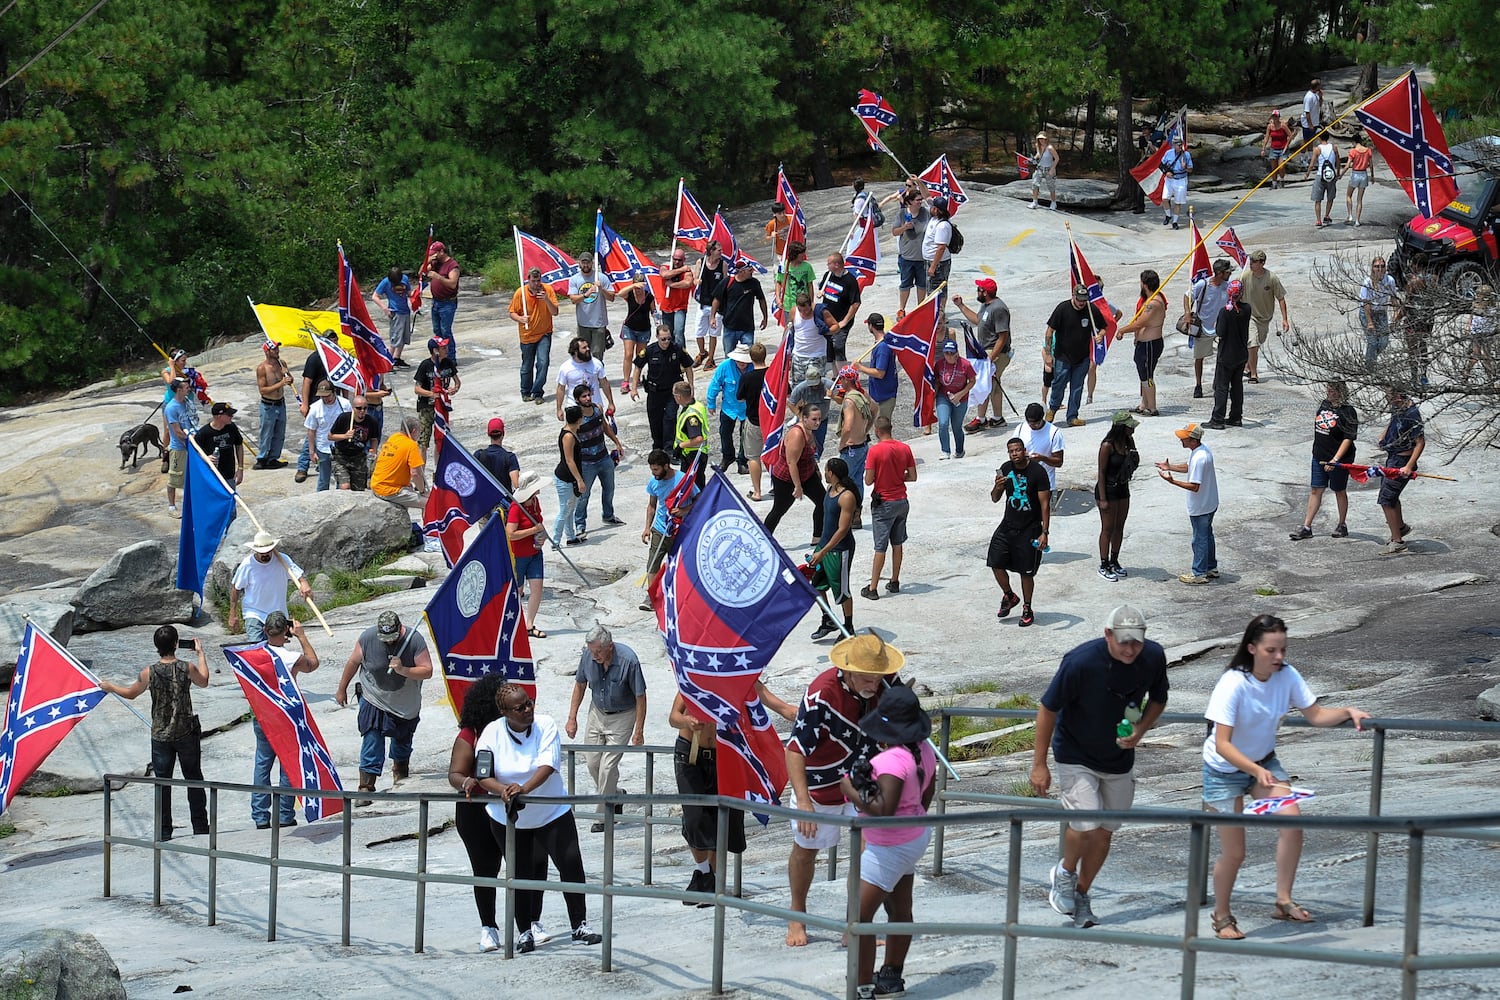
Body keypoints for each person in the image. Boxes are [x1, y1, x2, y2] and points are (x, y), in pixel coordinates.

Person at [1203, 614, 1370, 940]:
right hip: (1224, 770)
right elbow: (1222, 744)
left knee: (1291, 821)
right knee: (1235, 852)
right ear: (1252, 648)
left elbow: (1316, 715)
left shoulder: (1287, 675)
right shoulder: (1233, 683)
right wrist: (1255, 771)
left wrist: (1347, 711)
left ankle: (1283, 899)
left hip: (1263, 761)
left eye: (1282, 650)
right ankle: (1221, 915)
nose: (1279, 657)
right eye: (1271, 650)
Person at [1030, 605, 1169, 929]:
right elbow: (1047, 708)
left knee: (1105, 833)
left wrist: (1141, 729)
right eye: (1124, 642)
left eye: (1136, 641)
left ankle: (1081, 894)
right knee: (1087, 822)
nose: (1130, 649)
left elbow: (1159, 698)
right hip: (1075, 752)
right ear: (1108, 635)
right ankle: (1065, 872)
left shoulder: (1153, 657)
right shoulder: (1080, 662)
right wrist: (1038, 764)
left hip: (1118, 757)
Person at [784, 632, 902, 947]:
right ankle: (797, 913)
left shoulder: (888, 684)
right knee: (806, 850)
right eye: (866, 677)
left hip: (862, 778)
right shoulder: (821, 695)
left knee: (869, 851)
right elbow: (794, 750)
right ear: (847, 670)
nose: (873, 683)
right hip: (819, 784)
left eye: (877, 676)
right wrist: (804, 803)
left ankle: (857, 922)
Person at [475, 682, 604, 951]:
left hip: (551, 810)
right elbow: (483, 775)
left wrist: (523, 789)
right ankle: (524, 931)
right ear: (505, 712)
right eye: (519, 708)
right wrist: (504, 791)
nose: (527, 710)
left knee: (570, 863)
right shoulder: (491, 733)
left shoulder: (545, 725)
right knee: (521, 872)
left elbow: (548, 765)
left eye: (529, 703)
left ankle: (579, 924)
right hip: (509, 816)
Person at [840, 684, 936, 1000]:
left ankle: (862, 986)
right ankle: (891, 977)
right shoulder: (923, 750)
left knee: (859, 918)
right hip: (915, 835)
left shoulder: (893, 761)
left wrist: (851, 788)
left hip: (888, 846)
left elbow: (884, 810)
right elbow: (926, 793)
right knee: (899, 908)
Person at [670, 681, 796, 904]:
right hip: (690, 755)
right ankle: (703, 872)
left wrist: (805, 714)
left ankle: (711, 880)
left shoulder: (742, 680)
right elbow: (673, 717)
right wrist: (687, 721)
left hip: (725, 757)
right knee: (695, 818)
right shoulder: (696, 676)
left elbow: (782, 707)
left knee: (722, 821)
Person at [98, 626, 210, 840]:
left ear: (157, 647)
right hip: (186, 732)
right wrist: (201, 654)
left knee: (162, 783)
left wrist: (111, 686)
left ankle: (164, 831)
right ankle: (201, 827)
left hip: (161, 735)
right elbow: (204, 680)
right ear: (176, 644)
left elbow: (131, 694)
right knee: (194, 779)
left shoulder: (149, 672)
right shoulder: (187, 667)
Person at [446, 673, 517, 952]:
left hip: (511, 805)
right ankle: (489, 927)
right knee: (485, 869)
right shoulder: (470, 734)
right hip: (475, 810)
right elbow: (455, 773)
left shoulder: (515, 728)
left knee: (524, 864)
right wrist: (466, 782)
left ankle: (530, 923)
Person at [336, 610, 434, 802]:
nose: (389, 642)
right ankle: (365, 787)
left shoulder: (414, 640)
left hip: (405, 702)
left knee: (402, 742)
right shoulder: (367, 637)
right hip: (374, 697)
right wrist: (342, 688)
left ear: (400, 628)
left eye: (392, 638)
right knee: (372, 737)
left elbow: (427, 671)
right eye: (385, 638)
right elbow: (353, 662)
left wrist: (403, 669)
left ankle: (401, 777)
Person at [564, 625, 647, 832]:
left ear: (610, 646)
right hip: (597, 711)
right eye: (592, 651)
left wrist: (639, 730)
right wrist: (572, 717)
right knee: (592, 763)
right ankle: (616, 795)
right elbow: (580, 686)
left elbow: (640, 697)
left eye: (599, 651)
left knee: (608, 767)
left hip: (622, 715)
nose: (595, 656)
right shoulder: (588, 656)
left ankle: (603, 815)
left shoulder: (629, 660)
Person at [252, 612, 321, 829]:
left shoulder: (254, 655)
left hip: (263, 714)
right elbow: (313, 663)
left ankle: (260, 816)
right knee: (287, 764)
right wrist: (301, 636)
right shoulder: (289, 657)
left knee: (262, 763)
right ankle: (284, 815)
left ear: (264, 631)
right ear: (286, 632)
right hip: (286, 716)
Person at [988, 437, 1051, 628]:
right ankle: (1009, 595)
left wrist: (1045, 532)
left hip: (1030, 529)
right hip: (1007, 526)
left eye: (1017, 450)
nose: (1014, 454)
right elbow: (994, 498)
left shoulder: (1037, 472)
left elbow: (1045, 504)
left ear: (1024, 450)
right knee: (995, 562)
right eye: (1011, 451)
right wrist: (998, 486)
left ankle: (1027, 607)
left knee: (1026, 572)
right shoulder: (1005, 468)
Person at [1156, 423, 1219, 584]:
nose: (1180, 440)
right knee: (1207, 536)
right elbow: (1188, 467)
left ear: (1192, 440)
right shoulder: (1200, 450)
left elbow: (1194, 486)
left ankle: (1198, 574)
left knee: (1199, 539)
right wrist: (1170, 467)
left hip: (1201, 506)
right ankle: (1211, 568)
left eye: (1183, 438)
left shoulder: (1199, 458)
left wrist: (1172, 481)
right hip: (1210, 502)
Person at [862, 416, 915, 600]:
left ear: (877, 430)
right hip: (902, 501)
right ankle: (894, 581)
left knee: (880, 547)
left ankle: (873, 587)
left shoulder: (875, 451)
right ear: (891, 428)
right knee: (897, 543)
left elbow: (868, 480)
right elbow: (913, 476)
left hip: (884, 503)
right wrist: (899, 478)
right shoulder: (905, 448)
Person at [808, 457, 859, 641]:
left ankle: (848, 626)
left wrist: (823, 551)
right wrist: (820, 548)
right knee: (815, 585)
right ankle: (828, 619)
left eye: (826, 470)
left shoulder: (846, 496)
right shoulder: (829, 490)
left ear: (833, 473)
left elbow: (843, 529)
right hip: (825, 546)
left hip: (840, 550)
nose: (824, 473)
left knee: (842, 590)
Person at [228, 530, 313, 641]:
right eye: (261, 552)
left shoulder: (282, 560)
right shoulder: (247, 564)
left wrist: (304, 583)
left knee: (276, 648)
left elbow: (298, 576)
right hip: (254, 612)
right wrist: (233, 614)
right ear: (254, 550)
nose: (265, 554)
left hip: (277, 613)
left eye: (267, 551)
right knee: (256, 647)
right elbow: (236, 589)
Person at [1044, 284, 1107, 427]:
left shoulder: (1091, 310)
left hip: (1082, 357)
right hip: (1063, 356)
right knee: (1059, 384)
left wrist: (1100, 335)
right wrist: (1048, 354)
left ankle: (1072, 416)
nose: (1081, 303)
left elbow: (1103, 327)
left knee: (1077, 387)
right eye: (1079, 300)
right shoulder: (1062, 308)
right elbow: (1049, 331)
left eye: (1084, 300)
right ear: (1073, 296)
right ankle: (1052, 409)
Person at [954, 279, 1013, 430]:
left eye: (979, 289)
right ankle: (997, 418)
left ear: (985, 292)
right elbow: (978, 320)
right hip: (986, 352)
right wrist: (961, 306)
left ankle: (980, 419)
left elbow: (1003, 336)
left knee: (984, 385)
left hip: (995, 352)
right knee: (993, 385)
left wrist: (991, 358)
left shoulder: (999, 309)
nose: (977, 291)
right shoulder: (986, 306)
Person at [641, 449, 698, 606]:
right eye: (651, 469)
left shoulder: (683, 480)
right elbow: (652, 506)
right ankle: (652, 597)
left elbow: (699, 500)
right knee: (653, 563)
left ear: (666, 466)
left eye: (656, 469)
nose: (653, 473)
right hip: (660, 529)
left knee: (681, 565)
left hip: (680, 530)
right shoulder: (654, 482)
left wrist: (684, 511)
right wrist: (647, 527)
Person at [763, 402, 825, 544]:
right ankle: (764, 538)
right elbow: (792, 463)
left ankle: (817, 537)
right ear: (804, 419)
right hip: (786, 478)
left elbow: (809, 455)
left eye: (819, 419)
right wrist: (797, 486)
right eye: (814, 419)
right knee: (779, 509)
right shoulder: (797, 434)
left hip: (807, 474)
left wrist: (816, 469)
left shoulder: (810, 431)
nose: (817, 422)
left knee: (823, 502)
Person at [569, 383, 623, 538]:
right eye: (584, 396)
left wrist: (617, 442)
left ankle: (608, 515)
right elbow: (570, 436)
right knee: (584, 495)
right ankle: (580, 524)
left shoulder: (598, 409)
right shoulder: (576, 417)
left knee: (609, 488)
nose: (587, 398)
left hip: (603, 457)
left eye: (588, 395)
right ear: (577, 399)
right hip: (586, 463)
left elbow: (605, 427)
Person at [1375, 388, 1424, 555]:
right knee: (1390, 495)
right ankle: (1400, 527)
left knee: (1386, 499)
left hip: (1402, 461)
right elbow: (1392, 423)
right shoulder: (1397, 407)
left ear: (1397, 395)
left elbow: (1420, 442)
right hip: (1393, 457)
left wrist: (1409, 466)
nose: (1386, 398)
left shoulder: (1412, 413)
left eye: (1388, 395)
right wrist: (1383, 438)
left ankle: (1398, 541)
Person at [633, 324, 696, 452]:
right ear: (657, 337)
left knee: (670, 419)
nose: (666, 342)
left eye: (668, 338)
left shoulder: (676, 349)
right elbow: (638, 367)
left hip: (673, 393)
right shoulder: (650, 350)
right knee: (655, 420)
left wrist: (691, 385)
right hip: (654, 392)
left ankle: (669, 449)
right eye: (663, 339)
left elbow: (688, 366)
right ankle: (657, 447)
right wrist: (633, 388)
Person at [1094, 411, 1141, 581]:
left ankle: (1115, 560)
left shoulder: (1129, 442)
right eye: (1130, 427)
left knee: (1119, 526)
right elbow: (1101, 472)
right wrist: (1103, 499)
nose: (1133, 430)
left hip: (1122, 488)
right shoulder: (1107, 446)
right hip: (1107, 489)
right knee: (1108, 528)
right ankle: (1104, 564)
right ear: (1121, 427)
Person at [508, 266, 560, 403]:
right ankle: (525, 391)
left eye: (538, 281)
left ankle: (537, 392)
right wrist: (520, 319)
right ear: (528, 280)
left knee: (543, 362)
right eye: (533, 281)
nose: (536, 284)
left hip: (544, 333)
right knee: (527, 365)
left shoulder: (547, 290)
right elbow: (512, 312)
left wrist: (546, 300)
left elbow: (555, 312)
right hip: (527, 334)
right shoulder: (520, 293)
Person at [1182, 259, 1233, 400]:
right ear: (1220, 273)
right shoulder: (1203, 284)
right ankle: (1198, 385)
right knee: (1199, 357)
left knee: (1223, 357)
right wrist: (1187, 313)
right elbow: (1187, 296)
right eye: (1227, 272)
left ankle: (1219, 382)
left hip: (1221, 327)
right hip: (1203, 326)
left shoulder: (1227, 286)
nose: (1230, 274)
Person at [506, 472, 549, 637]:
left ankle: (529, 625)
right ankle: (513, 625)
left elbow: (540, 523)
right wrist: (533, 530)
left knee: (537, 589)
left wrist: (541, 536)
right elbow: (511, 534)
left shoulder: (535, 502)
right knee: (516, 591)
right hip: (518, 555)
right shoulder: (516, 507)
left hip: (535, 552)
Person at [1208, 279, 1252, 429]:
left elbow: (1220, 332)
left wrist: (1218, 322)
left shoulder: (1225, 312)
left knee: (1221, 387)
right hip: (1241, 354)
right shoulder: (1247, 309)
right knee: (1237, 386)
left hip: (1226, 355)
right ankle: (1235, 417)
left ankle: (1218, 419)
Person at [1241, 250, 1289, 383]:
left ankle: (1247, 365)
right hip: (1249, 316)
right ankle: (1254, 374)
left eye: (1255, 262)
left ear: (1262, 263)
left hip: (1265, 318)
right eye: (1251, 261)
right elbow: (1237, 293)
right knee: (1252, 343)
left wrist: (1284, 319)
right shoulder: (1245, 277)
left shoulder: (1271, 278)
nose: (1251, 264)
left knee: (1258, 341)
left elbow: (1281, 298)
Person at [706, 345, 752, 475]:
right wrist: (711, 403)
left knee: (746, 435)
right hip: (729, 407)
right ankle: (727, 457)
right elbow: (715, 384)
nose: (742, 363)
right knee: (725, 433)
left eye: (745, 361)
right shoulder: (725, 366)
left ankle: (742, 461)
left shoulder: (753, 367)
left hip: (748, 408)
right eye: (739, 360)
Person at [834, 366, 874, 511]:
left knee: (843, 482)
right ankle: (857, 512)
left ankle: (846, 513)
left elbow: (848, 426)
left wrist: (842, 443)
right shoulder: (861, 396)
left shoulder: (849, 400)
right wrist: (865, 428)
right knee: (857, 481)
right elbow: (875, 408)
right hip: (862, 445)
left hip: (850, 447)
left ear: (845, 380)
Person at [710, 260, 768, 359]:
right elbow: (716, 299)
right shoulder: (727, 282)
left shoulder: (754, 283)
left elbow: (762, 300)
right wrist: (712, 317)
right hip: (730, 326)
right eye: (750, 270)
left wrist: (765, 317)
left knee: (749, 357)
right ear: (741, 271)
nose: (752, 272)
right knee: (729, 357)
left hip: (747, 327)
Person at [414, 337, 460, 458]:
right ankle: (421, 472)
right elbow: (417, 388)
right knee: (423, 441)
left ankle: (437, 469)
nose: (447, 350)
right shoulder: (425, 365)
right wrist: (431, 394)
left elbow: (457, 382)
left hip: (442, 407)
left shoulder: (448, 363)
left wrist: (454, 389)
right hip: (426, 407)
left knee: (440, 439)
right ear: (435, 350)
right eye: (443, 348)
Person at [371, 415, 429, 510]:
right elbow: (415, 474)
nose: (419, 435)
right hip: (389, 491)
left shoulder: (393, 437)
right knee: (429, 502)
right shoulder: (411, 445)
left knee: (410, 488)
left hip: (376, 484)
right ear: (414, 431)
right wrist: (422, 491)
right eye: (419, 432)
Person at [736, 343, 770, 501]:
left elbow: (740, 397)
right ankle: (777, 486)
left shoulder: (747, 377)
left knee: (754, 457)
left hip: (754, 420)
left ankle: (757, 491)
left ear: (751, 358)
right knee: (773, 455)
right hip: (772, 421)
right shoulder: (773, 374)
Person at [567, 251, 616, 362]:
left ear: (592, 263)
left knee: (597, 353)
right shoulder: (574, 279)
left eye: (588, 262)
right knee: (582, 352)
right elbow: (573, 299)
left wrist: (602, 288)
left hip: (599, 323)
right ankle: (585, 377)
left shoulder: (601, 278)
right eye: (583, 263)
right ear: (579, 263)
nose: (585, 265)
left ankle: (598, 377)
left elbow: (612, 297)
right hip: (583, 323)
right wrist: (586, 294)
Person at [933, 338, 976, 459]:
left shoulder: (965, 365)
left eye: (952, 353)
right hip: (944, 396)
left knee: (956, 426)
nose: (949, 356)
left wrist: (961, 394)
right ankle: (945, 451)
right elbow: (936, 381)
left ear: (957, 353)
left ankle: (960, 450)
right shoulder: (940, 364)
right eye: (947, 353)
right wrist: (933, 399)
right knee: (943, 422)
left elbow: (972, 381)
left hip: (960, 399)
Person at [889, 187, 929, 317]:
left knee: (922, 284)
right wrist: (904, 227)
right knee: (905, 284)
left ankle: (920, 308)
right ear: (910, 202)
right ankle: (902, 309)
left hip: (922, 257)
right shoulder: (902, 214)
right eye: (917, 200)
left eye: (921, 200)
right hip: (906, 256)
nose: (920, 202)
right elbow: (894, 232)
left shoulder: (926, 213)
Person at [303, 380, 349, 492]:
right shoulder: (315, 408)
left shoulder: (344, 404)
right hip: (323, 448)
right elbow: (311, 431)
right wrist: (311, 452)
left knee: (342, 480)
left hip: (340, 447)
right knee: (323, 479)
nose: (325, 399)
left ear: (333, 392)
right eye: (322, 396)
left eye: (327, 396)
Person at [254, 342, 293, 469]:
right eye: (274, 349)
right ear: (267, 351)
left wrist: (288, 375)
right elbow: (263, 390)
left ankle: (273, 458)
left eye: (277, 348)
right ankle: (262, 458)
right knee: (266, 432)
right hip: (268, 405)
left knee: (279, 432)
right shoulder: (262, 368)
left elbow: (290, 380)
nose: (277, 351)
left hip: (280, 403)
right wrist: (281, 383)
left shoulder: (282, 363)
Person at [555, 335, 613, 421]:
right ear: (575, 351)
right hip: (574, 407)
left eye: (588, 346)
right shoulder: (565, 367)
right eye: (584, 348)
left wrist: (611, 403)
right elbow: (561, 388)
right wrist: (559, 408)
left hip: (595, 406)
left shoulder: (596, 363)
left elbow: (604, 383)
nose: (588, 349)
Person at [293, 342, 328, 483]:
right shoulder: (314, 358)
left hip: (333, 400)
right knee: (312, 434)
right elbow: (307, 382)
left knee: (328, 434)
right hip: (316, 401)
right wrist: (305, 404)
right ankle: (302, 466)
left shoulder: (336, 356)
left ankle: (322, 464)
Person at [819, 253, 863, 366]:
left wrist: (845, 321)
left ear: (837, 265)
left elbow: (856, 303)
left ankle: (843, 377)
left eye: (829, 263)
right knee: (831, 349)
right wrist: (821, 292)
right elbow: (823, 289)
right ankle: (835, 377)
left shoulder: (850, 281)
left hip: (841, 321)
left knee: (838, 347)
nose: (827, 265)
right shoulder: (828, 275)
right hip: (828, 319)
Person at [855, 314, 900, 425]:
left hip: (884, 396)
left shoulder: (882, 347)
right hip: (879, 395)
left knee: (882, 428)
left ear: (871, 326)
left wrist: (860, 367)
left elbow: (880, 373)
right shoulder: (882, 343)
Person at [327, 393, 377, 491]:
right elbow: (330, 436)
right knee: (345, 486)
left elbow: (374, 439)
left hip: (359, 457)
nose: (362, 411)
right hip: (341, 457)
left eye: (365, 408)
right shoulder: (344, 418)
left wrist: (373, 451)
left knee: (359, 489)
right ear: (353, 408)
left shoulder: (371, 421)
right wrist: (345, 436)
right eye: (359, 408)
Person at [552, 404, 585, 547]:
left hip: (570, 479)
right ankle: (555, 540)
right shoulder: (568, 436)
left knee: (570, 508)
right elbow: (569, 460)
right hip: (565, 479)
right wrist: (580, 480)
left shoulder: (573, 431)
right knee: (565, 509)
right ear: (579, 419)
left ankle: (570, 536)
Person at [617, 272, 656, 392]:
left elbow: (654, 312)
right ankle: (625, 381)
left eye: (640, 288)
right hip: (630, 328)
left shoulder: (649, 296)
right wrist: (633, 287)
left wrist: (659, 324)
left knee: (640, 356)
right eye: (637, 288)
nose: (639, 291)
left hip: (644, 329)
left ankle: (636, 378)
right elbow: (619, 293)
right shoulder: (629, 294)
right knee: (628, 354)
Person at [693, 241, 729, 369]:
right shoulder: (700, 263)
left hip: (717, 304)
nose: (721, 252)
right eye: (718, 250)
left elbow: (726, 282)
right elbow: (695, 278)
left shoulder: (723, 264)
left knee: (713, 333)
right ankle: (702, 352)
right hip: (703, 303)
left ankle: (711, 358)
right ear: (711, 251)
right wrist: (697, 281)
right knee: (698, 332)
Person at [1015, 402, 1065, 493]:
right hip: (1023, 484)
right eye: (1030, 423)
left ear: (1042, 419)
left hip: (1045, 485)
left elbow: (1059, 462)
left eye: (1036, 423)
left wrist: (1042, 458)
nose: (1033, 426)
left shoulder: (1054, 433)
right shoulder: (1020, 429)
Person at [372, 266, 415, 368]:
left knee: (404, 337)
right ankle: (388, 362)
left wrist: (416, 295)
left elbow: (409, 292)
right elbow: (375, 296)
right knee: (395, 338)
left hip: (405, 311)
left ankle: (397, 358)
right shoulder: (386, 282)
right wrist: (385, 308)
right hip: (395, 312)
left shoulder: (404, 279)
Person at [163, 379, 195, 518]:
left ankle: (191, 503)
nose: (189, 388)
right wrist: (190, 441)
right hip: (179, 447)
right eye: (186, 387)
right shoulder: (171, 408)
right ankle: (171, 506)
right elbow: (177, 431)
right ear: (179, 390)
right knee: (174, 478)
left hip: (191, 443)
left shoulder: (187, 403)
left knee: (191, 476)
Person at [789, 361, 835, 456]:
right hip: (806, 421)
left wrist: (833, 396)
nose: (814, 386)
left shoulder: (829, 385)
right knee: (803, 443)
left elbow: (842, 400)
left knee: (819, 444)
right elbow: (790, 402)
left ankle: (816, 460)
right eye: (811, 384)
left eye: (816, 384)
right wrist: (799, 414)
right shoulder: (801, 387)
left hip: (821, 421)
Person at [424, 242, 461, 360]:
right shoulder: (435, 263)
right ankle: (441, 355)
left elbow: (452, 284)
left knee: (446, 331)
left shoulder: (452, 265)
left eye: (435, 254)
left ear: (441, 252)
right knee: (437, 331)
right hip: (436, 301)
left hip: (447, 303)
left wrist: (438, 277)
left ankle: (450, 358)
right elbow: (421, 273)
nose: (433, 256)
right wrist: (428, 261)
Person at [194, 401, 245, 486]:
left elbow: (239, 445)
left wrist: (240, 468)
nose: (231, 417)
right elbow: (194, 452)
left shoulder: (231, 427)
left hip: (229, 474)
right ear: (219, 416)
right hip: (210, 475)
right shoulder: (204, 433)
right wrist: (205, 458)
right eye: (229, 415)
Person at [1359, 256, 1398, 368]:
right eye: (1376, 267)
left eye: (1382, 266)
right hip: (1368, 313)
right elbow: (1365, 303)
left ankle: (1370, 359)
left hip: (1381, 313)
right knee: (1372, 342)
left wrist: (1395, 313)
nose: (1379, 269)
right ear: (1372, 268)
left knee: (1383, 342)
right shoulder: (1367, 282)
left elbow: (1393, 298)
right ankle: (1370, 367)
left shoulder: (1389, 280)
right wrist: (1370, 322)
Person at [672, 380, 711, 487]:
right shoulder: (697, 405)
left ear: (679, 397)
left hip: (693, 455)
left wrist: (680, 446)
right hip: (694, 454)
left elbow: (698, 438)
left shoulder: (691, 416)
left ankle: (699, 504)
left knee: (694, 486)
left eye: (674, 395)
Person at [789, 290, 832, 378]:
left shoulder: (820, 312)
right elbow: (789, 329)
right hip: (798, 355)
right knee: (797, 387)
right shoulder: (793, 311)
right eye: (800, 310)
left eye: (806, 310)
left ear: (811, 305)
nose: (804, 312)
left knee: (815, 386)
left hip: (817, 356)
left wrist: (825, 331)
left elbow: (836, 326)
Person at [660, 248, 695, 349]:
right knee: (668, 335)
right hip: (667, 306)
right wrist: (680, 270)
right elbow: (664, 274)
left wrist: (672, 284)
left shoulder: (687, 271)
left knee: (679, 332)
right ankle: (671, 357)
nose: (677, 262)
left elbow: (687, 283)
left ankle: (682, 358)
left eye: (680, 260)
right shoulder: (665, 266)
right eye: (675, 259)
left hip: (680, 306)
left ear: (684, 260)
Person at [474, 417, 521, 491]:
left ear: (488, 434)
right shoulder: (510, 457)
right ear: (503, 433)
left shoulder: (478, 455)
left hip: (484, 501)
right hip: (504, 501)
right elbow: (517, 485)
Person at [1304, 134, 1340, 228]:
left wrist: (1307, 174)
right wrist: (1338, 173)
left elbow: (1312, 164)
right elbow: (1338, 161)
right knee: (1330, 197)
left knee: (1318, 199)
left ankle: (1318, 220)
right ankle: (1327, 215)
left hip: (1320, 175)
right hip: (1331, 175)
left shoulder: (1317, 149)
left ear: (1320, 138)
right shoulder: (1334, 147)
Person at [922, 197, 954, 303]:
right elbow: (927, 196)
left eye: (933, 207)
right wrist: (919, 182)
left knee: (938, 289)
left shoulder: (942, 225)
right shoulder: (935, 219)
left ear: (936, 209)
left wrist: (933, 267)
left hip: (938, 263)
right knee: (931, 289)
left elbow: (941, 248)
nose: (930, 208)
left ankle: (940, 315)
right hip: (930, 260)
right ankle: (936, 314)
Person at [779, 241, 817, 322]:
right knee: (790, 329)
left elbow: (810, 285)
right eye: (801, 254)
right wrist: (778, 299)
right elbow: (778, 282)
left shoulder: (807, 266)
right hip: (788, 304)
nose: (804, 255)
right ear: (795, 254)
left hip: (804, 304)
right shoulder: (784, 266)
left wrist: (811, 302)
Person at [1344, 131, 1376, 225]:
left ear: (1354, 142)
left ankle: (1350, 215)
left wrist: (1341, 174)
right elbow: (1371, 164)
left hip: (1355, 174)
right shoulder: (1368, 150)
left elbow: (1347, 165)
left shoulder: (1353, 151)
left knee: (1348, 195)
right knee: (1359, 199)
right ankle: (1357, 220)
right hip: (1364, 174)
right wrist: (1372, 176)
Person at [1161, 136, 1192, 230]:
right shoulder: (1168, 153)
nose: (1178, 146)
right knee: (1165, 198)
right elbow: (1161, 165)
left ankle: (1175, 221)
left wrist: (1185, 166)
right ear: (1173, 145)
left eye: (1180, 144)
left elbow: (1190, 170)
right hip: (1170, 179)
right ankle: (1168, 215)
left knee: (1178, 202)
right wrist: (1166, 172)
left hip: (1181, 179)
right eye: (1176, 144)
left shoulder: (1186, 155)